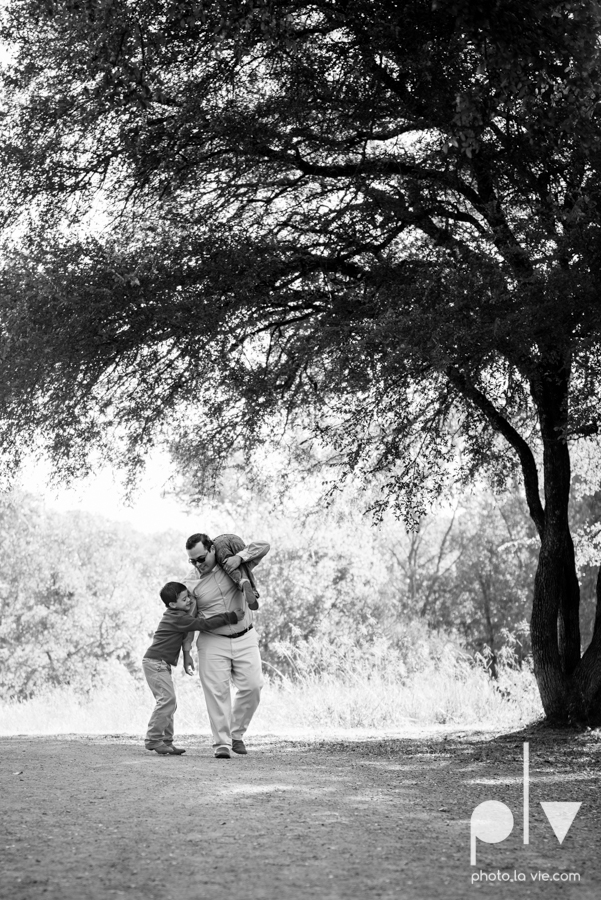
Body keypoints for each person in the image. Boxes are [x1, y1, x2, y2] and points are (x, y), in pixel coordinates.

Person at [182, 533, 270, 759]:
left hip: (245, 636)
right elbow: (189, 619)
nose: (197, 565)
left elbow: (263, 545)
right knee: (217, 692)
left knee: (253, 687)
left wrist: (240, 557)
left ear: (212, 549)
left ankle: (236, 733)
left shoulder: (230, 563)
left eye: (201, 558)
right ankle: (221, 743)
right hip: (212, 641)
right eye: (192, 561)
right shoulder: (190, 583)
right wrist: (186, 651)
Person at [142, 581, 244, 756]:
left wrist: (186, 654)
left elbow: (185, 633)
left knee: (169, 703)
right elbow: (203, 624)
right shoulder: (178, 617)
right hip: (155, 663)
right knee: (167, 701)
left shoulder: (176, 615)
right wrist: (231, 617)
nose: (188, 600)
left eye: (188, 596)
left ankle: (166, 741)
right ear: (173, 604)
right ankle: (153, 739)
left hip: (159, 664)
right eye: (184, 599)